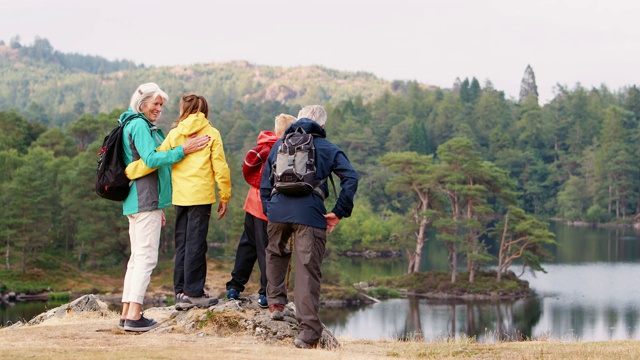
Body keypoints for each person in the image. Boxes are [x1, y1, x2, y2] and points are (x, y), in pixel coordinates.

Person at [260, 105, 359, 349]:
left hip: (278, 211)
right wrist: (338, 211)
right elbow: (351, 178)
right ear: (322, 126)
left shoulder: (280, 144)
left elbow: (265, 182)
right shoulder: (327, 147)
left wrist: (270, 209)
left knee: (275, 252)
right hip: (310, 214)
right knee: (306, 270)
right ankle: (308, 334)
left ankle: (276, 304)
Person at [126, 92, 232, 311]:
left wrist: (130, 170)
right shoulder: (212, 133)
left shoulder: (175, 134)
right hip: (201, 196)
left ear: (183, 109)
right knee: (197, 243)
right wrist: (224, 195)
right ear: (205, 110)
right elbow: (220, 167)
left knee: (182, 242)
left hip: (179, 198)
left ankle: (180, 292)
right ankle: (194, 292)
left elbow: (155, 159)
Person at [119, 83, 210, 332]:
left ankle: (127, 312)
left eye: (161, 105)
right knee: (147, 258)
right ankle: (135, 315)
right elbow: (150, 160)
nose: (159, 109)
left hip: (137, 201)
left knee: (136, 258)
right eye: (155, 104)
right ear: (142, 103)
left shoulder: (131, 123)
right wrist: (183, 150)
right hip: (145, 198)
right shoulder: (138, 124)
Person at [225, 113, 297, 308]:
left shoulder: (263, 145)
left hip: (252, 202)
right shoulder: (283, 149)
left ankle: (234, 287)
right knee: (269, 250)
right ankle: (266, 293)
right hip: (268, 207)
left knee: (247, 245)